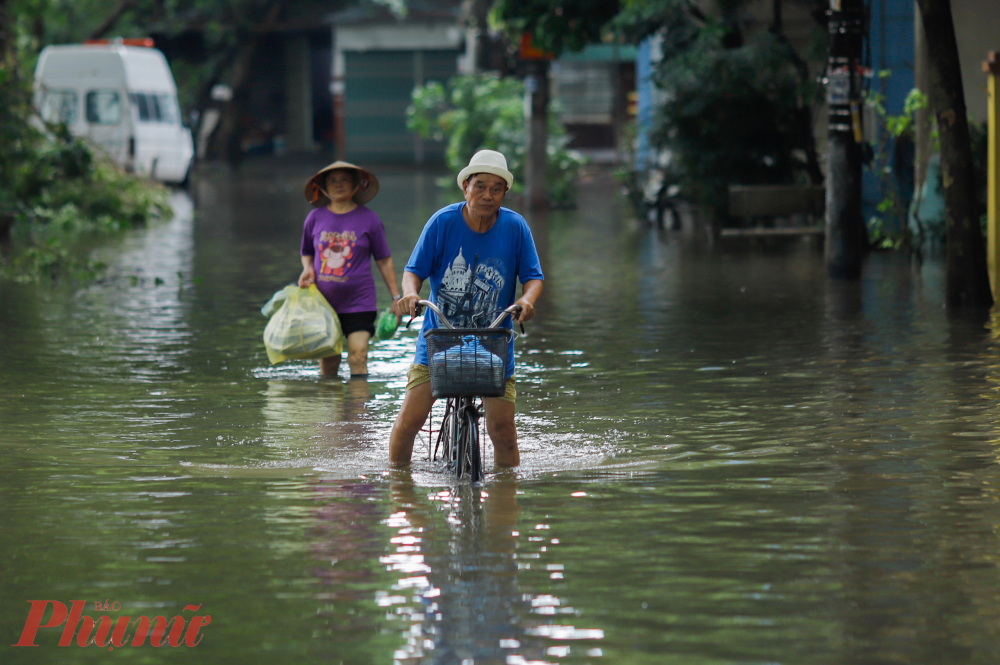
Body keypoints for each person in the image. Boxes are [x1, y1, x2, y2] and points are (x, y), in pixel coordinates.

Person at [390, 150, 544, 467]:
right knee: (409, 423)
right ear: (466, 188)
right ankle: (399, 490)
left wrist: (527, 301)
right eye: (480, 186)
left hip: (493, 340)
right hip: (439, 337)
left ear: (504, 193)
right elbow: (413, 272)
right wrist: (409, 295)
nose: (487, 195)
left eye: (496, 188)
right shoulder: (442, 222)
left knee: (503, 430)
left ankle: (505, 502)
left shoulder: (516, 228)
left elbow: (533, 278)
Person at [298, 161, 402, 377]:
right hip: (324, 303)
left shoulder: (369, 219)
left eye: (344, 179)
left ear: (355, 184)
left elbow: (384, 260)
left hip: (360, 301)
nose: (338, 184)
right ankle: (331, 408)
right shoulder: (314, 218)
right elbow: (307, 251)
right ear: (324, 187)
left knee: (358, 355)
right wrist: (307, 268)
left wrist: (396, 297)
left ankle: (358, 409)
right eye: (332, 180)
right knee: (328, 362)